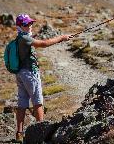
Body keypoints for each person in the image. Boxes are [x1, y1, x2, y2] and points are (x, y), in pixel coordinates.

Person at [14, 14, 71, 142]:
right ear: (19, 26)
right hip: (29, 74)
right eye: (26, 24)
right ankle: (41, 133)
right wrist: (62, 37)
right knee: (38, 102)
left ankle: (19, 134)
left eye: (30, 23)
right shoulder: (24, 38)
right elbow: (44, 43)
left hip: (20, 74)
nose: (29, 26)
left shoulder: (18, 38)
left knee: (22, 104)